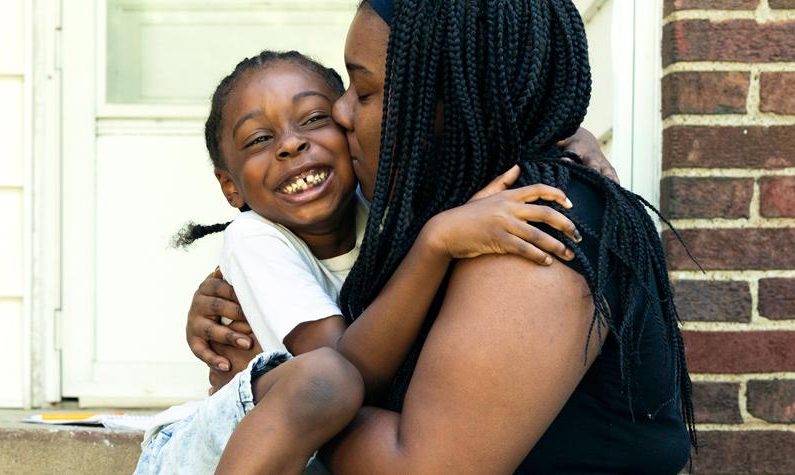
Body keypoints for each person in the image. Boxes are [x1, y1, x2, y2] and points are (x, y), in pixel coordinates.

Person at [183, 1, 695, 473]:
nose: (339, 115)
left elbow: (422, 468)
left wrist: (266, 395)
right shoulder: (460, 215)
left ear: (449, 102)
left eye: (362, 92)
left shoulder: (536, 226)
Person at [137, 50, 583, 475]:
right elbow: (346, 376)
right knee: (325, 378)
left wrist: (576, 142)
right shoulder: (253, 238)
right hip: (212, 448)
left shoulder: (383, 209)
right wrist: (436, 245)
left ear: (349, 130)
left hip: (319, 450)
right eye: (259, 139)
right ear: (230, 188)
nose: (291, 145)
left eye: (315, 119)